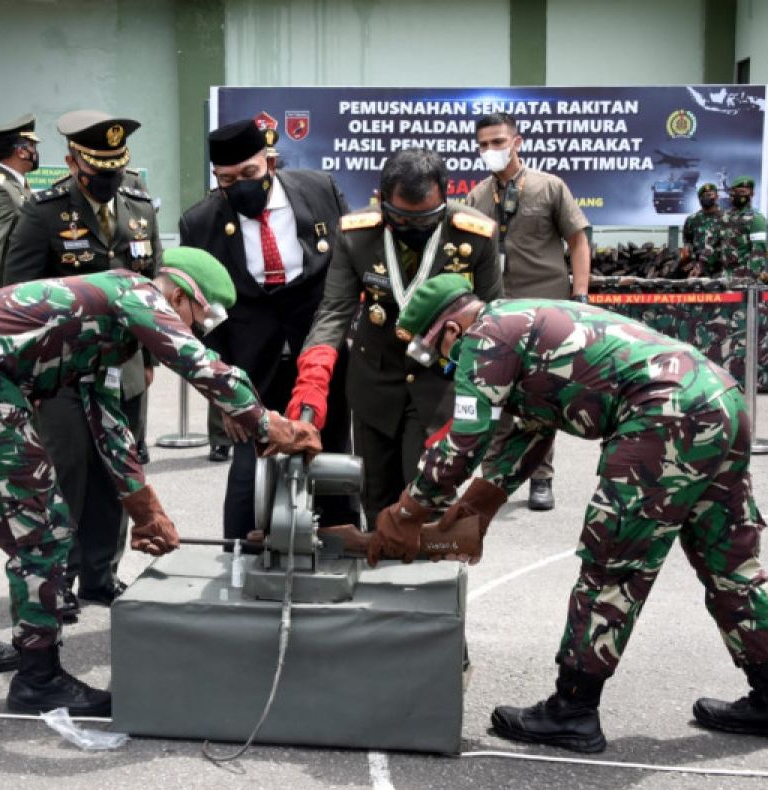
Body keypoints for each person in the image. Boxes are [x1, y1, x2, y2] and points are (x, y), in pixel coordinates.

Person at [369, 274, 768, 754]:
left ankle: (573, 710)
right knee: (728, 561)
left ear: (450, 330)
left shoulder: (486, 337)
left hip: (662, 416)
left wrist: (408, 510)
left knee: (612, 565)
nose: (445, 364)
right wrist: (476, 511)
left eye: (436, 352)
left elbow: (465, 440)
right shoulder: (526, 322)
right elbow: (527, 433)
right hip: (716, 399)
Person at [0, 246, 321, 714]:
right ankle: (38, 680)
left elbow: (106, 420)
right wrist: (268, 424)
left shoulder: (106, 324)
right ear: (184, 296)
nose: (191, 330)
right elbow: (200, 364)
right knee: (43, 534)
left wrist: (144, 510)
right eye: (198, 320)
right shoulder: (138, 294)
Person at [287, 148, 502, 526]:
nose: (414, 227)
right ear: (381, 199)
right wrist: (313, 383)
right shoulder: (356, 234)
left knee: (425, 495)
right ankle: (378, 578)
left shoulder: (477, 234)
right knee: (377, 498)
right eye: (401, 218)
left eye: (426, 219)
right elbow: (334, 310)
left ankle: (427, 580)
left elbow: (494, 319)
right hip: (374, 382)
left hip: (438, 384)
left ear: (446, 198)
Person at [3, 110, 160, 609]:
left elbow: (149, 284)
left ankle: (100, 573)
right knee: (66, 474)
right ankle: (59, 579)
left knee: (118, 472)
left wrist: (149, 356)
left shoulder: (138, 206)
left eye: (116, 170)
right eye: (97, 172)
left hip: (124, 368)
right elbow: (19, 296)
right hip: (63, 373)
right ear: (72, 163)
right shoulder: (43, 212)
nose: (107, 181)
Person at [179, 118, 359, 538]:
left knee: (330, 450)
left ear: (270, 163)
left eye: (248, 175)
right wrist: (223, 396)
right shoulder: (200, 223)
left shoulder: (320, 191)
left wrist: (347, 333)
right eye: (226, 179)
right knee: (249, 466)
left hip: (318, 355)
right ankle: (241, 551)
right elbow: (205, 318)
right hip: (249, 366)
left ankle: (342, 535)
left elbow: (351, 266)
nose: (238, 185)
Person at [466, 112, 592, 512]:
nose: (491, 151)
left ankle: (541, 476)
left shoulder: (549, 187)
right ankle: (495, 476)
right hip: (498, 310)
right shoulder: (476, 197)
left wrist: (581, 296)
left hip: (547, 308)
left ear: (517, 141)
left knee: (542, 394)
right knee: (495, 391)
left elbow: (578, 240)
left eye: (498, 142)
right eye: (483, 145)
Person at [0, 113, 39, 296]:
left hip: (21, 285)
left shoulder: (15, 183)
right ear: (21, 151)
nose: (35, 153)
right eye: (32, 146)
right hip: (7, 290)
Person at [716, 176, 768, 282]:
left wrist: (750, 277)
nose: (739, 195)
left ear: (751, 194)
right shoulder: (725, 217)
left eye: (743, 192)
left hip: (744, 277)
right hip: (724, 276)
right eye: (736, 192)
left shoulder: (756, 218)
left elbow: (759, 251)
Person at [681, 182, 724, 276]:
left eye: (709, 195)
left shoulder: (726, 218)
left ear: (717, 197)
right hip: (697, 270)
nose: (706, 198)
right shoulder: (692, 220)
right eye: (703, 196)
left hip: (720, 269)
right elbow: (687, 241)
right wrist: (687, 252)